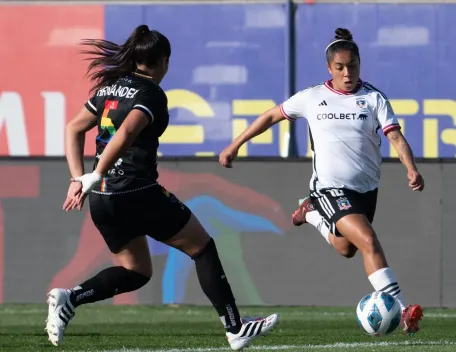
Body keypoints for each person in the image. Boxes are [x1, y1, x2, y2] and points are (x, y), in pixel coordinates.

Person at [45, 24, 278, 350]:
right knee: (202, 247)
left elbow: (73, 128)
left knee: (137, 271)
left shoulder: (111, 87)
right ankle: (235, 328)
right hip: (136, 191)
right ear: (162, 61)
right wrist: (94, 173)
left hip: (103, 198)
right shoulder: (151, 93)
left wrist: (79, 178)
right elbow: (125, 134)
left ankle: (71, 297)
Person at [219, 28, 424, 336]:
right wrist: (235, 145)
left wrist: (411, 168)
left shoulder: (373, 98)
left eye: (352, 66)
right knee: (367, 240)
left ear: (359, 64)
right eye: (340, 67)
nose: (347, 73)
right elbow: (271, 116)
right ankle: (402, 308)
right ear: (329, 68)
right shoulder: (313, 97)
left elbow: (394, 135)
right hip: (331, 188)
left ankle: (311, 214)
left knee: (347, 249)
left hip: (366, 190)